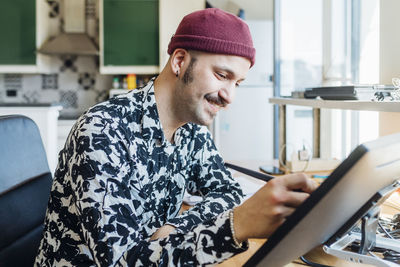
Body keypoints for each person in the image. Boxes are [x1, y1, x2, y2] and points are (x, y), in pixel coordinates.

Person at [35, 8, 317, 266]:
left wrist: (176, 227)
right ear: (180, 61)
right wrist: (236, 226)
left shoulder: (192, 131)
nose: (230, 97)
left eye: (238, 83)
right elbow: (123, 262)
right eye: (222, 75)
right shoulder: (102, 132)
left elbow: (227, 192)